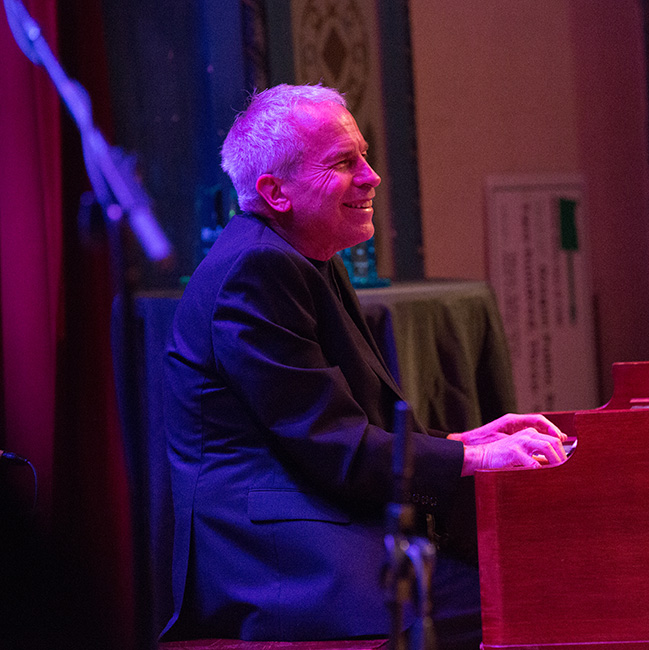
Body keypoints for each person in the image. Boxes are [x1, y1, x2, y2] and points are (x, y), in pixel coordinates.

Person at [161, 84, 567, 647]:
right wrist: (475, 458)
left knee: (537, 564)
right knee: (523, 593)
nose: (373, 176)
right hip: (274, 557)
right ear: (276, 191)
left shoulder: (300, 254)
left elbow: (346, 427)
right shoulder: (255, 271)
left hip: (320, 514)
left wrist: (462, 438)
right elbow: (332, 444)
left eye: (367, 155)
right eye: (345, 163)